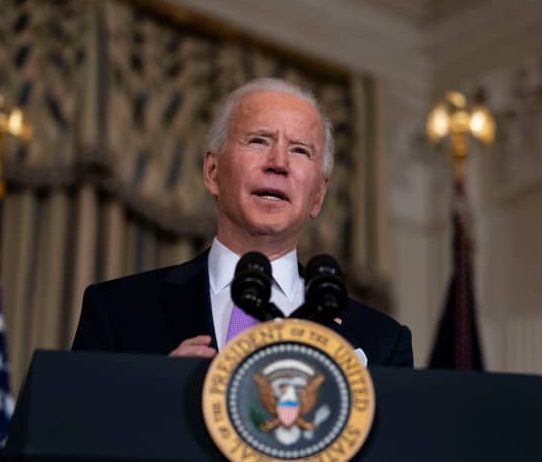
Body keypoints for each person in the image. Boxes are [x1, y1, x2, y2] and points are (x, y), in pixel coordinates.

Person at [72, 78, 413, 367]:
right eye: (259, 140)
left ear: (319, 195)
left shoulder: (382, 342)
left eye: (299, 151)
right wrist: (160, 395)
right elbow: (72, 434)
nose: (278, 162)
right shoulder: (118, 311)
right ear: (213, 172)